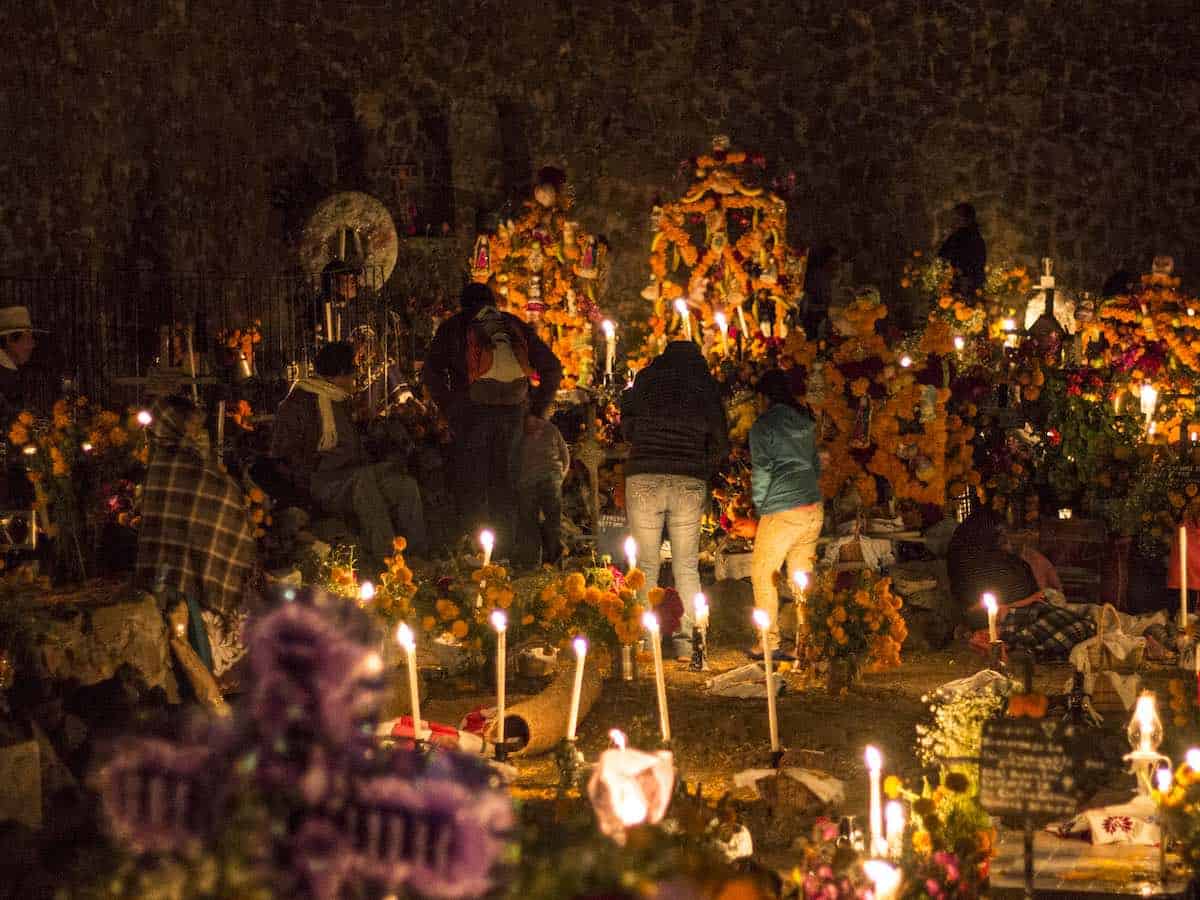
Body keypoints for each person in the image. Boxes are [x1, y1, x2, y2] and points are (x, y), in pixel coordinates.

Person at [422, 282, 562, 559]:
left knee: (472, 482)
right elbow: (552, 367)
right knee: (506, 483)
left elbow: (431, 372)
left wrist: (451, 407)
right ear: (494, 302)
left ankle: (475, 551)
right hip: (513, 415)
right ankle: (504, 554)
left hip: (470, 414)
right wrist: (537, 410)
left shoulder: (454, 327)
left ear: (463, 304)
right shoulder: (511, 325)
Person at [271, 341, 426, 573]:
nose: (356, 376)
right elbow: (283, 454)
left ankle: (418, 559)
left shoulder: (340, 400)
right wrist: (320, 466)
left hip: (352, 475)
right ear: (340, 374)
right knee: (363, 481)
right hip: (321, 481)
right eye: (353, 370)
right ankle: (389, 564)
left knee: (404, 486)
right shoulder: (299, 403)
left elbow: (354, 447)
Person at [621, 338, 729, 660]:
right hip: (689, 478)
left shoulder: (646, 379)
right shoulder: (704, 387)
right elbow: (721, 443)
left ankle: (639, 642)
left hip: (644, 475)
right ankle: (690, 644)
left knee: (645, 564)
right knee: (686, 566)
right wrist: (701, 466)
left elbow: (627, 425)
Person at [135, 394, 256, 628]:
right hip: (182, 575)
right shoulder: (176, 464)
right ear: (176, 426)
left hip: (167, 570)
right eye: (191, 427)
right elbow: (222, 498)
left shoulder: (159, 462)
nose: (196, 434)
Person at [748, 369, 823, 659]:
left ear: (764, 397)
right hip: (812, 507)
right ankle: (807, 640)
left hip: (782, 507)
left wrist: (760, 506)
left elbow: (763, 470)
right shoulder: (805, 422)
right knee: (801, 578)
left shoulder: (764, 426)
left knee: (763, 573)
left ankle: (769, 642)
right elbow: (815, 465)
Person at [514, 409, 570, 569]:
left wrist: (560, 477)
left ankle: (546, 562)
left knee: (547, 523)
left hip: (545, 480)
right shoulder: (522, 432)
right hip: (532, 482)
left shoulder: (547, 429)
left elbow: (565, 454)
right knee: (533, 523)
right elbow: (564, 454)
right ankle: (536, 562)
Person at [938, 203, 987, 298]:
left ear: (967, 218)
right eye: (955, 217)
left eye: (959, 217)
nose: (955, 221)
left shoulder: (974, 238)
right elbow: (942, 255)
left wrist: (964, 275)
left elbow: (977, 263)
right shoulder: (956, 236)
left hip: (967, 284)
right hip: (956, 282)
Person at [0, 306, 39, 423]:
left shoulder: (13, 371)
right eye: (28, 337)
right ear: (9, 339)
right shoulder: (4, 373)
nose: (32, 345)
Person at [801, 244, 838, 339]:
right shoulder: (816, 320)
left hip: (815, 289)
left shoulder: (810, 320)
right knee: (817, 270)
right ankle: (818, 250)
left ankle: (816, 250)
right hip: (818, 289)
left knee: (816, 270)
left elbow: (809, 305)